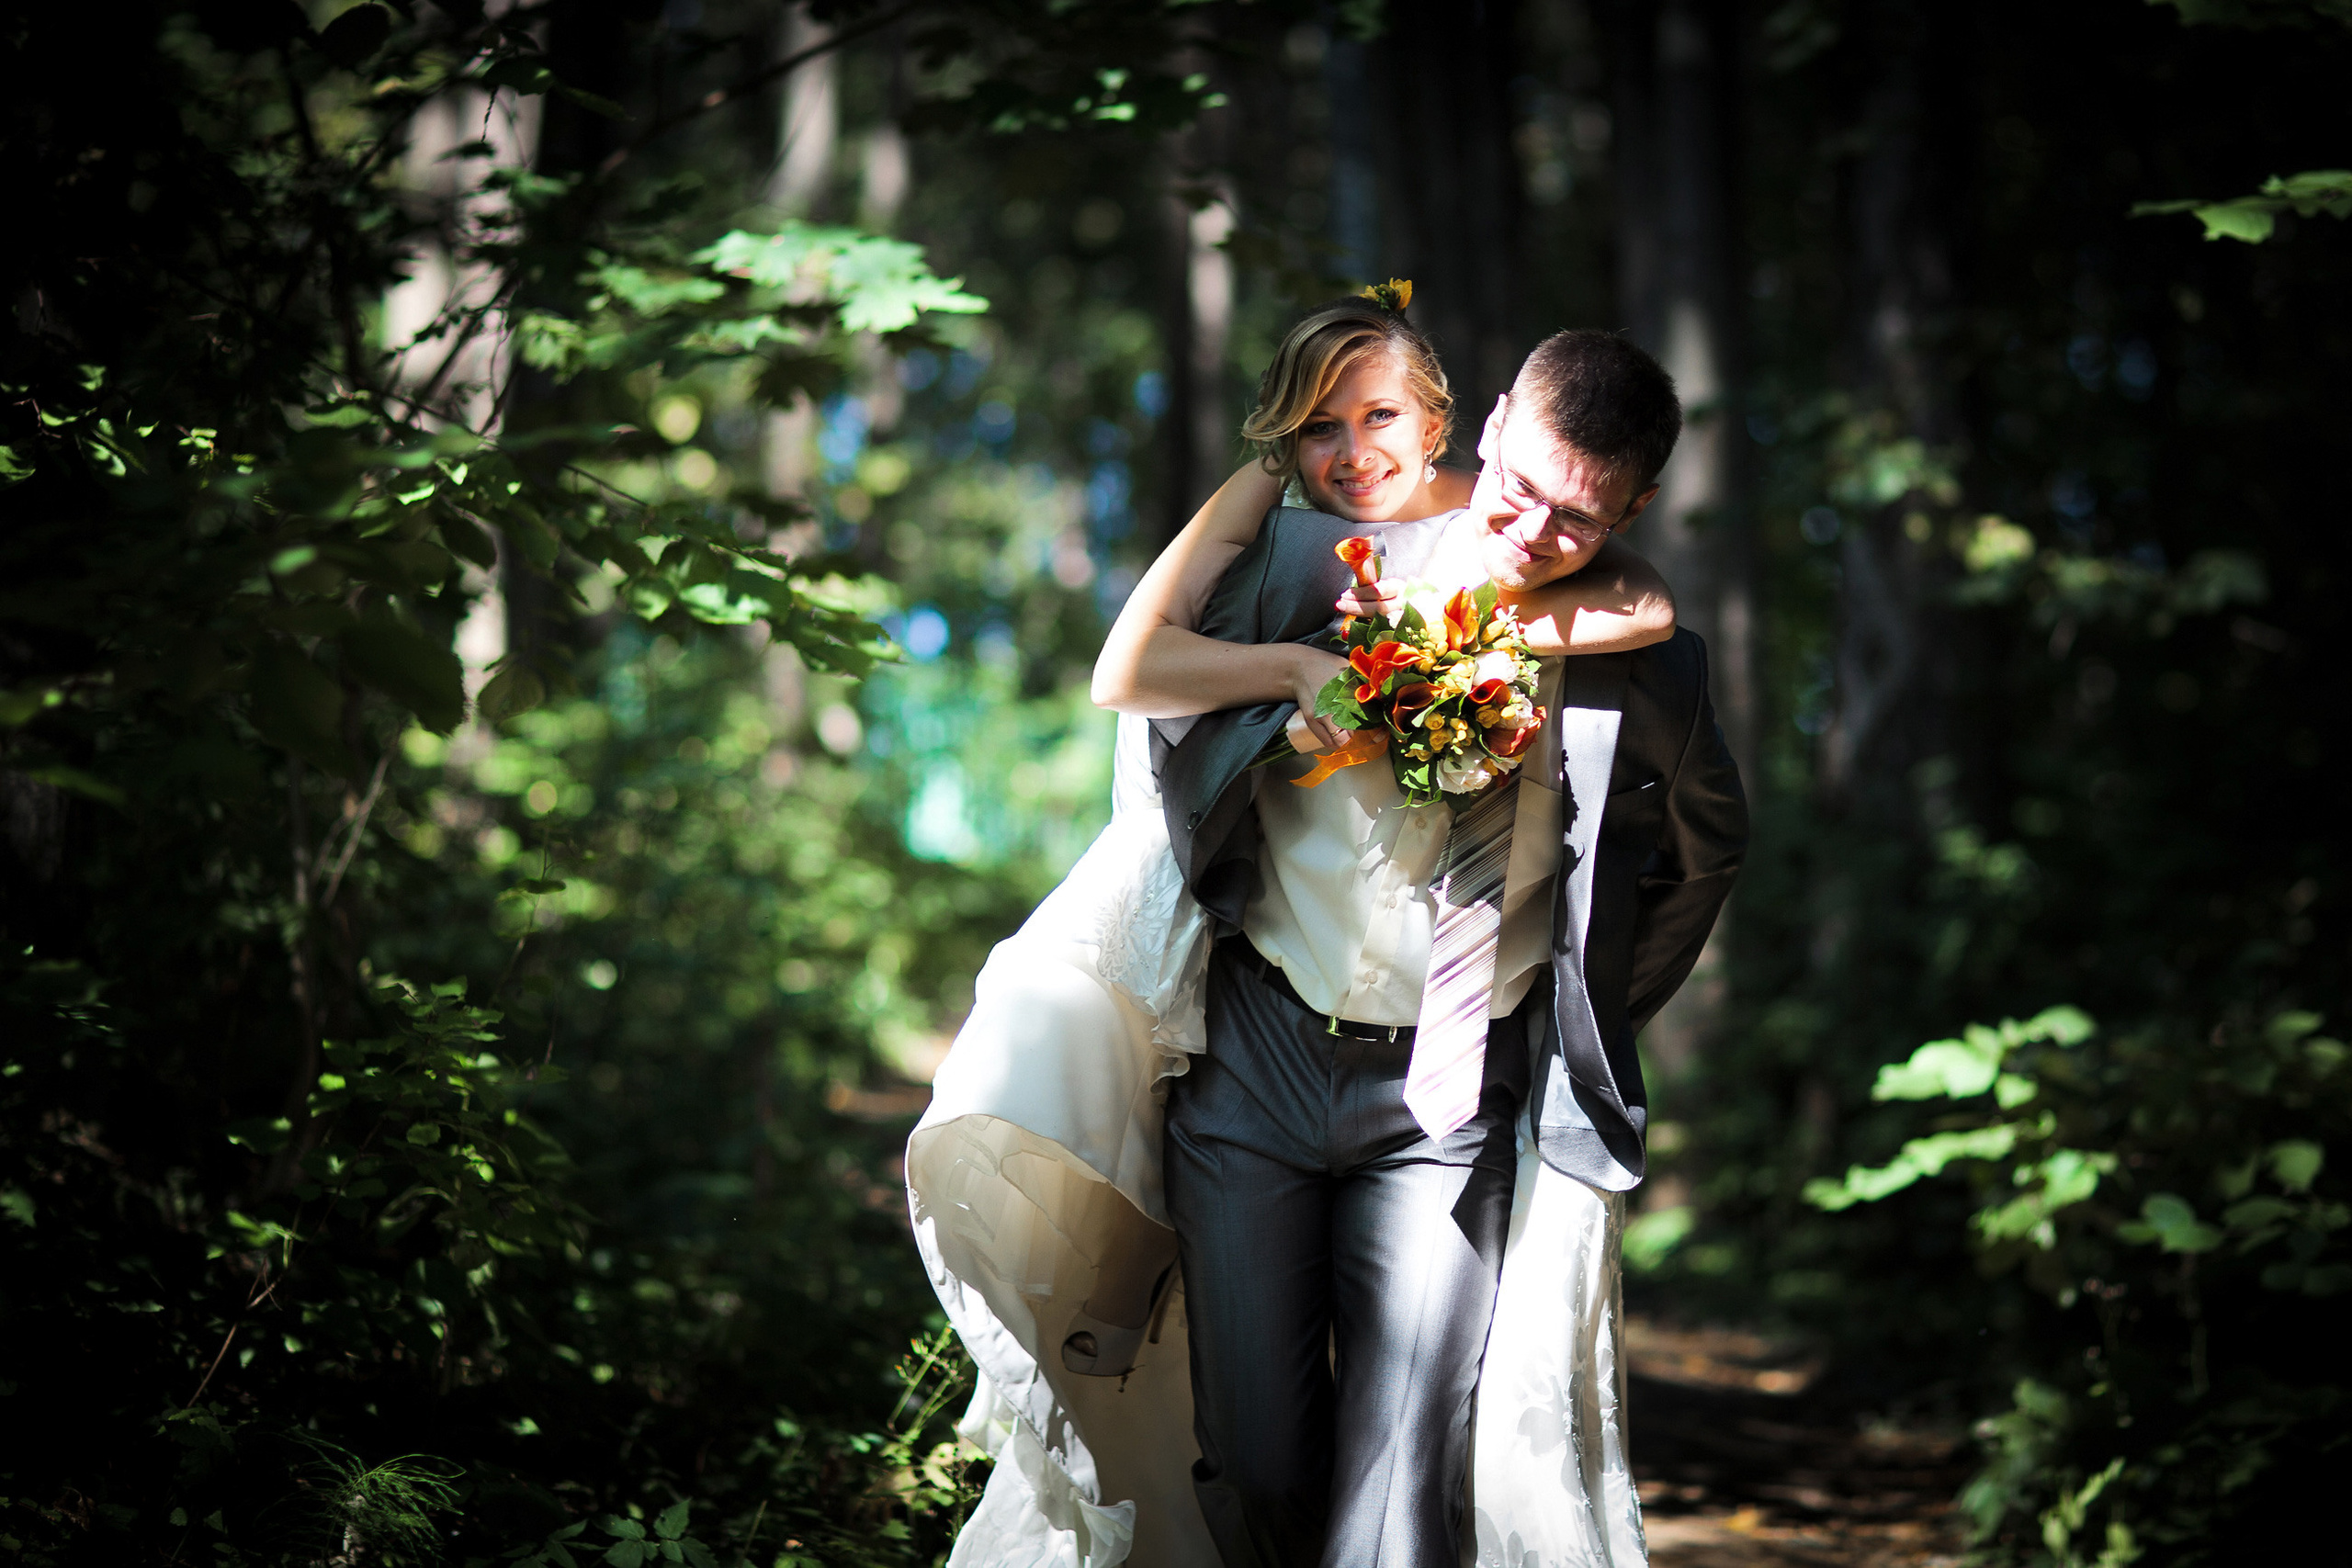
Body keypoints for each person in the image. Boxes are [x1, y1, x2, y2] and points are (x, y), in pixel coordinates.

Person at [904, 295, 1712, 1567]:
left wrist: (1580, 1008)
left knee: (1399, 1478)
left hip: (1451, 1089)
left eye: (1580, 518)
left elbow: (1695, 851)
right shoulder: (1312, 566)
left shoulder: (1631, 644)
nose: (1535, 531)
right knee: (1258, 1453)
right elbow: (1134, 671)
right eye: (1521, 490)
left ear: (1631, 511)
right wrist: (1300, 674)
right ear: (1491, 426)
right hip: (1258, 1056)